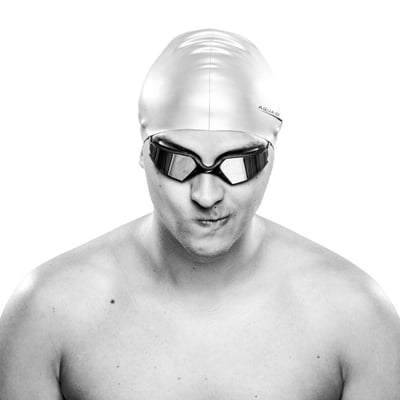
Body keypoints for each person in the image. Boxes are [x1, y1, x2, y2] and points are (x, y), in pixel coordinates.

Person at [0, 28, 399, 400]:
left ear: (272, 157)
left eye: (238, 164)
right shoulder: (49, 313)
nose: (206, 195)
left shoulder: (354, 318)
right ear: (142, 152)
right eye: (178, 162)